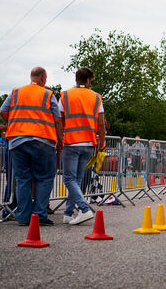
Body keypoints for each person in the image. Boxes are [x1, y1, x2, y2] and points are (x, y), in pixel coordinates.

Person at [0, 67, 63, 226]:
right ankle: (39, 216)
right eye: (45, 78)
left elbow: (2, 111)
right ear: (42, 78)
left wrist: (14, 122)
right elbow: (57, 119)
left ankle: (23, 217)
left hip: (17, 141)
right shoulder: (48, 94)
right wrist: (60, 140)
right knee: (44, 178)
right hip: (43, 141)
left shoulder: (15, 92)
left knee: (22, 179)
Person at [59, 67, 106, 225]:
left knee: (69, 179)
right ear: (87, 81)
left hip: (71, 141)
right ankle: (67, 213)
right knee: (77, 180)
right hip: (88, 142)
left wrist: (59, 139)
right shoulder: (96, 97)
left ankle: (84, 209)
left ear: (76, 79)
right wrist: (102, 142)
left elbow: (60, 119)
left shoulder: (65, 95)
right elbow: (101, 123)